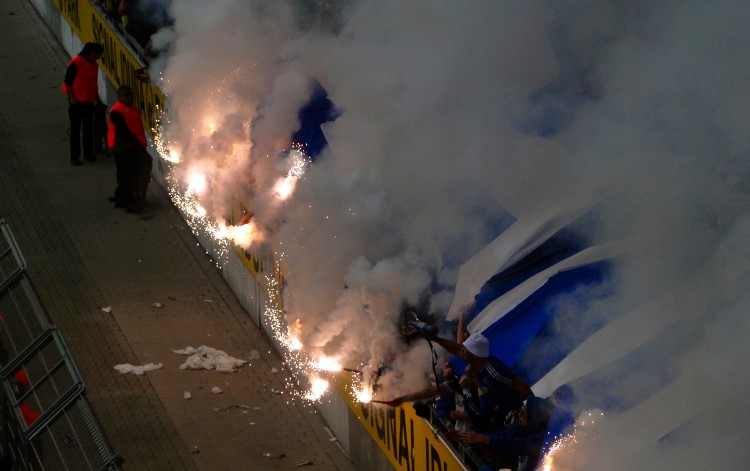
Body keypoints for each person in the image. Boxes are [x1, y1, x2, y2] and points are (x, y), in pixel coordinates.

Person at [456, 395, 555, 471]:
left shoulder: (542, 437)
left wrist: (483, 439)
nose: (519, 414)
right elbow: (502, 436)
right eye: (521, 410)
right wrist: (473, 436)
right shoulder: (523, 428)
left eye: (524, 412)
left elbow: (517, 445)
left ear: (534, 417)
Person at [62, 42, 104, 166]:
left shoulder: (94, 65)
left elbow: (93, 85)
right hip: (77, 103)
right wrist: (73, 99)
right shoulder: (76, 63)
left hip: (89, 102)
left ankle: (88, 154)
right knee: (75, 130)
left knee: (87, 129)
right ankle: (75, 157)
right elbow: (68, 83)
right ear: (91, 53)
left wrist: (98, 100)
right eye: (98, 55)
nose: (99, 58)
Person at [108, 85, 147, 213]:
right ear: (119, 97)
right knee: (128, 176)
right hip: (123, 149)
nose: (129, 97)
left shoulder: (132, 108)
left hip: (131, 148)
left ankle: (120, 198)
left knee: (126, 175)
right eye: (125, 95)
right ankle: (129, 203)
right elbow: (122, 132)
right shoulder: (117, 111)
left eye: (130, 94)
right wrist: (135, 144)